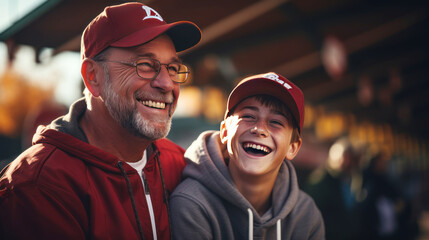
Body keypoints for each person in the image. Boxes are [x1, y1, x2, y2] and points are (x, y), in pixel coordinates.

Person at [0, 2, 201, 240]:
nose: (167, 84)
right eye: (145, 65)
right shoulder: (39, 185)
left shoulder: (178, 163)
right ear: (93, 77)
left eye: (173, 68)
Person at [170, 72, 325, 239]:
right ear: (224, 132)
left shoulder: (306, 214)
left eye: (276, 122)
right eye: (248, 116)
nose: (259, 129)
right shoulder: (192, 202)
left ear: (293, 148)